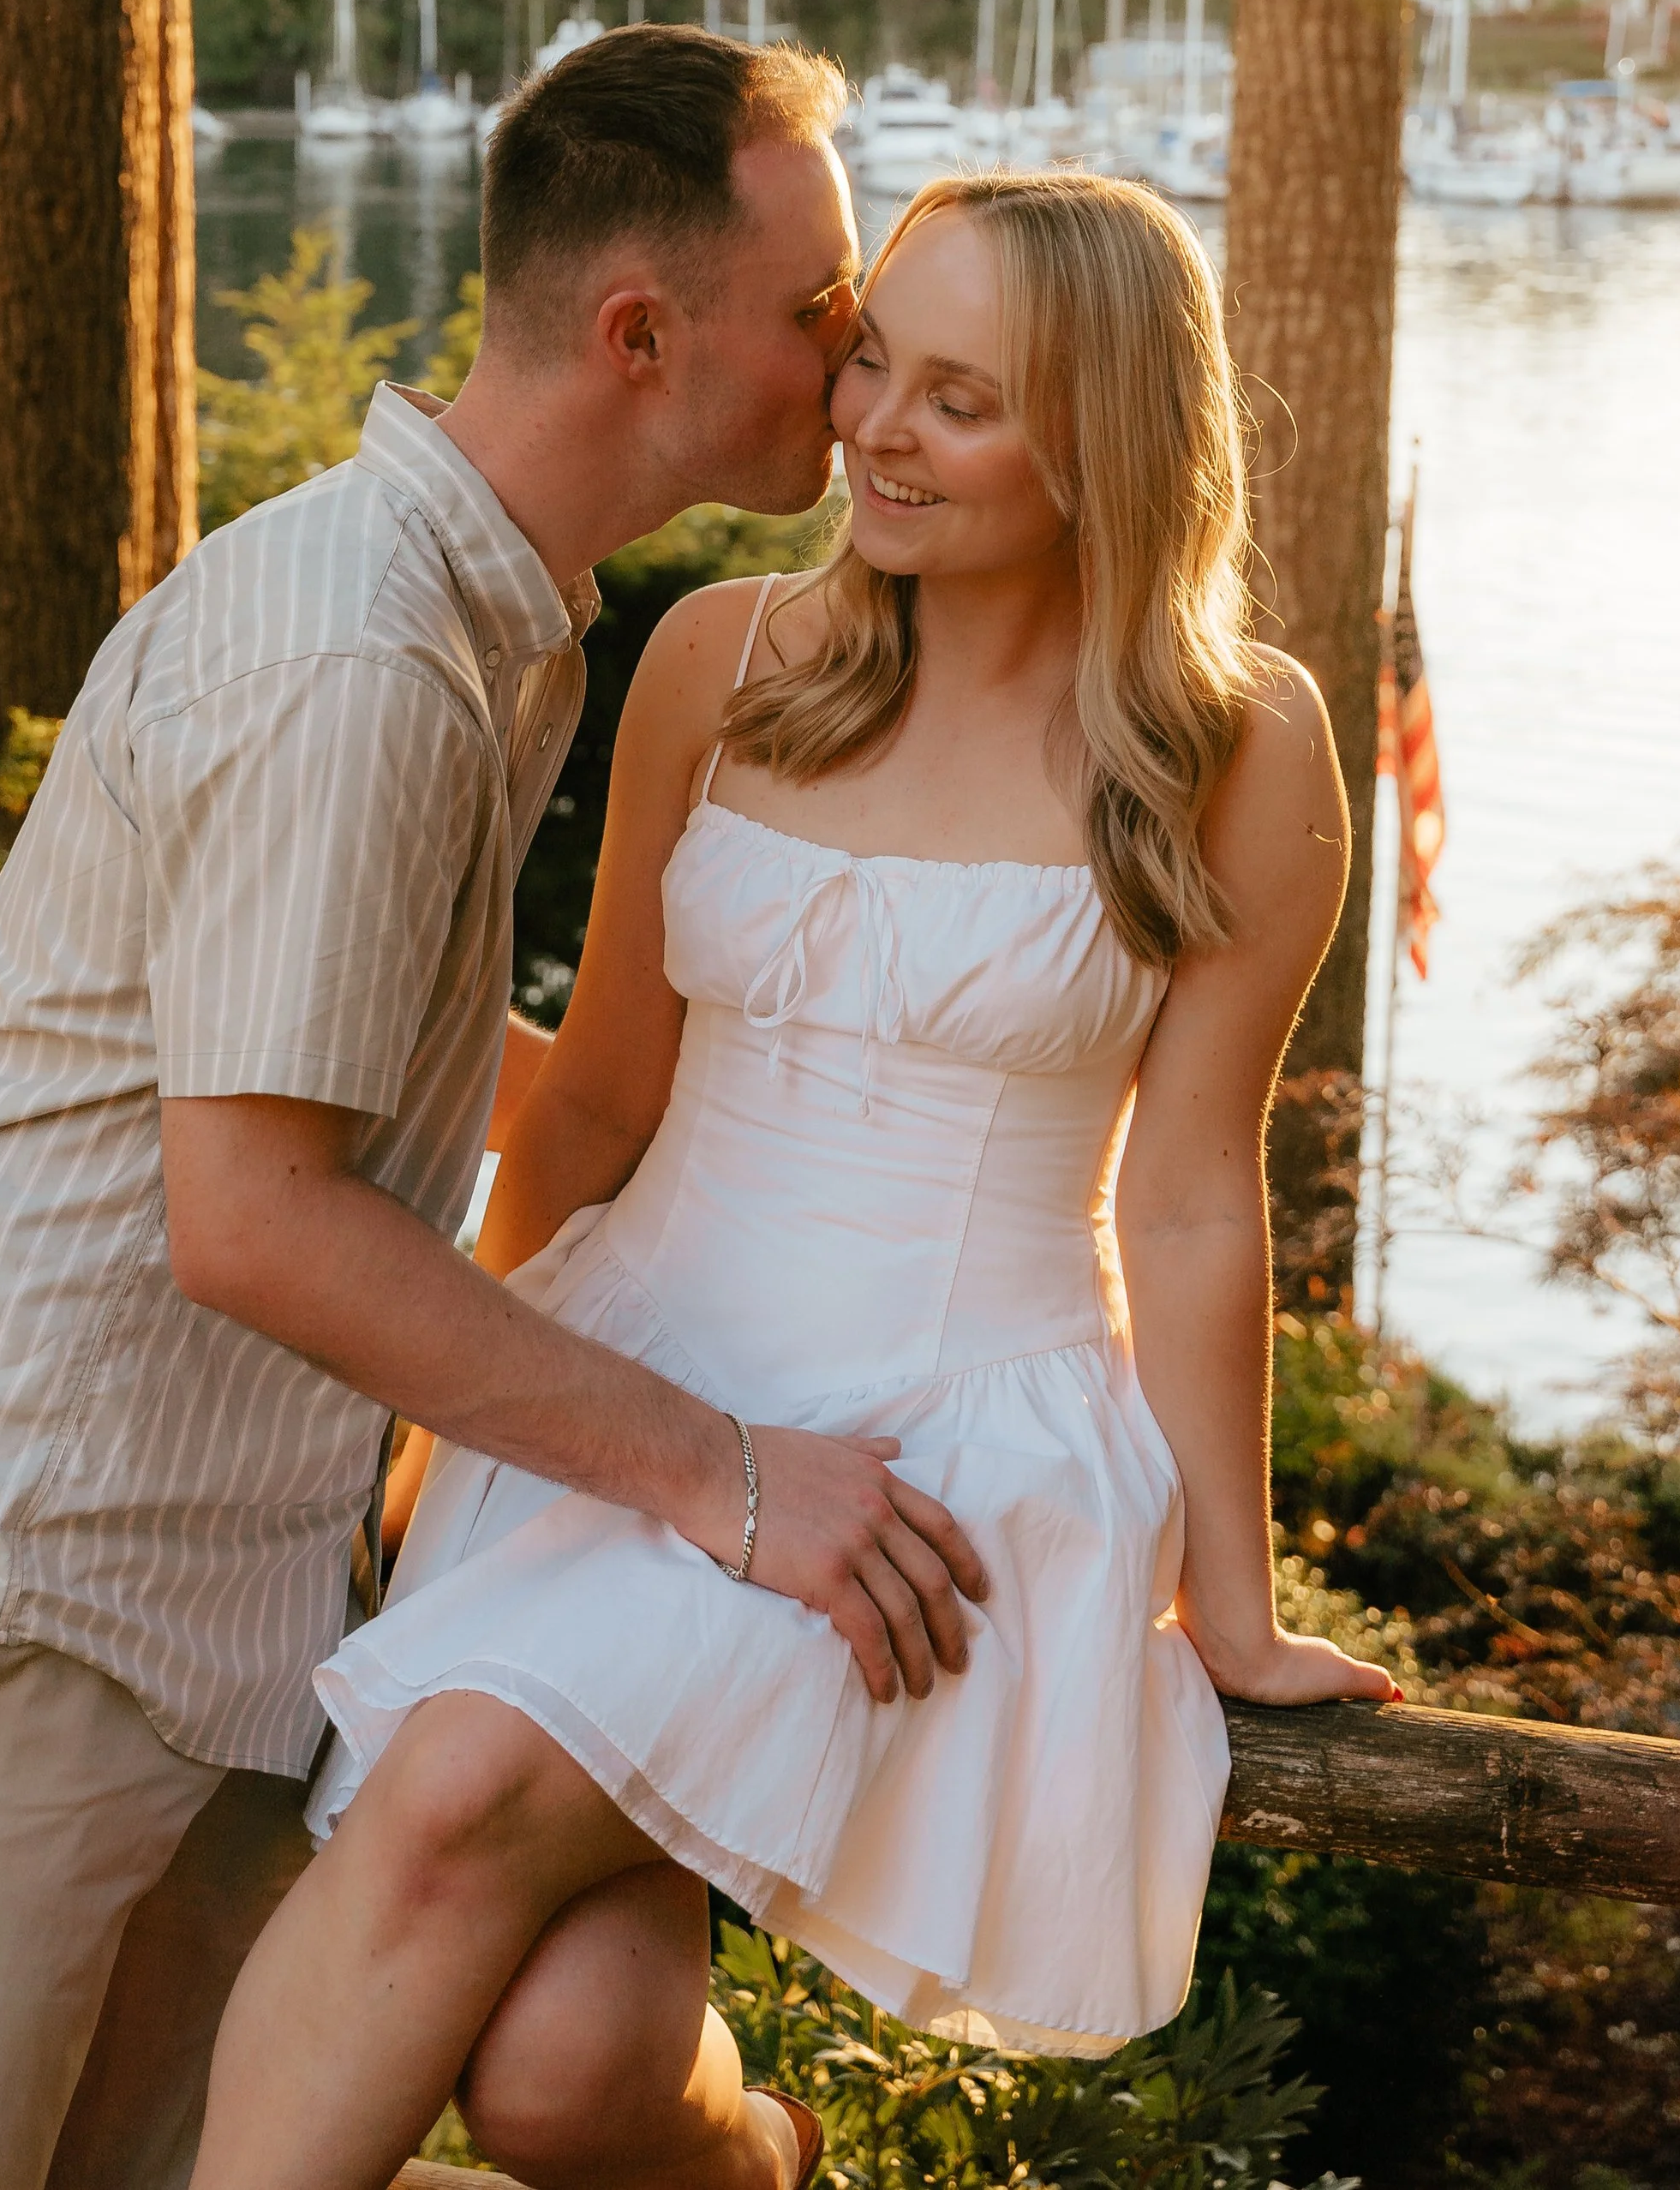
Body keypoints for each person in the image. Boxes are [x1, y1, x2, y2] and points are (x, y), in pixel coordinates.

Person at [0, 27, 990, 2190]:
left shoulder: (500, 626)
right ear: (634, 332)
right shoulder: (364, 662)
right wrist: (721, 1477)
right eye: (816, 309)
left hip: (213, 1610)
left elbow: (327, 1062)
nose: (854, 347)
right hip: (2, 1585)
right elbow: (258, 1215)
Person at [189, 166, 1402, 2190]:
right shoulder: (722, 660)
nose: (870, 431)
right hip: (624, 1387)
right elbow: (592, 1112)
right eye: (870, 367)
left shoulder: (1229, 742)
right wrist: (440, 1425)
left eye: (959, 399)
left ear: (1104, 447)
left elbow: (1188, 1193)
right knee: (572, 2080)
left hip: (944, 1445)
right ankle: (755, 2161)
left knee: (459, 1794)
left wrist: (1236, 1602)